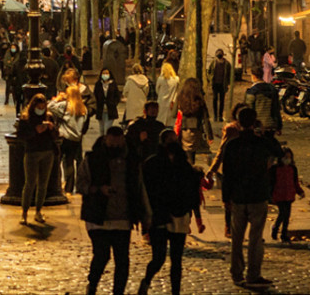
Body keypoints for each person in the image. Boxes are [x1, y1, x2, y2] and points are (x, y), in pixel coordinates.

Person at [220, 107, 284, 288]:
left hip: (238, 196)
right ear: (254, 121)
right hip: (257, 194)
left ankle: (236, 273)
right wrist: (268, 136)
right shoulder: (261, 143)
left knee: (237, 239)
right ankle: (253, 274)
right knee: (255, 239)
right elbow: (279, 153)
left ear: (238, 122)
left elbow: (227, 174)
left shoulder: (232, 145)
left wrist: (226, 197)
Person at [78, 126, 144, 295]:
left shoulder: (132, 160)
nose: (115, 144)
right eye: (112, 141)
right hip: (98, 217)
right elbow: (81, 184)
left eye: (118, 141)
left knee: (122, 260)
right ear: (106, 139)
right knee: (102, 255)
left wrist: (144, 215)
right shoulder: (92, 158)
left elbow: (139, 187)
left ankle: (118, 291)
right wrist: (99, 189)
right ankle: (92, 284)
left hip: (123, 217)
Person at [137, 129, 205, 295]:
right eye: (170, 140)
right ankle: (146, 281)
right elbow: (145, 191)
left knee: (176, 260)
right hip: (159, 216)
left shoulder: (184, 164)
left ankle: (176, 291)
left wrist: (195, 215)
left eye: (175, 139)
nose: (173, 142)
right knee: (158, 258)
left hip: (179, 215)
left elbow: (191, 191)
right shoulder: (152, 163)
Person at [207, 102, 249, 238]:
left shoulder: (252, 128)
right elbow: (222, 149)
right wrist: (213, 168)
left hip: (245, 169)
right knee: (229, 201)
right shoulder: (231, 129)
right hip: (231, 168)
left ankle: (239, 226)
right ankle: (228, 226)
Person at [16, 94, 58, 224]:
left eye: (43, 106)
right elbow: (21, 136)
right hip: (32, 152)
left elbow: (56, 135)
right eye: (38, 107)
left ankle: (38, 211)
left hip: (47, 152)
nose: (41, 109)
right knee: (30, 183)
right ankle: (24, 212)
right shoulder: (26, 118)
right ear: (33, 106)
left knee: (43, 184)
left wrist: (52, 128)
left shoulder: (49, 116)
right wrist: (35, 131)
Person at [49, 85, 88, 194]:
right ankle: (69, 188)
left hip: (64, 137)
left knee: (57, 160)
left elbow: (50, 107)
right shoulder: (83, 108)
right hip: (75, 139)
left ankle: (56, 185)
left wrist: (57, 99)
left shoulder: (65, 105)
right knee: (70, 162)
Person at [270, 147, 305, 244]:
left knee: (286, 216)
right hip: (279, 194)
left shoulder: (292, 169)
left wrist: (300, 191)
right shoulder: (275, 169)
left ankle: (283, 233)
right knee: (282, 213)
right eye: (285, 157)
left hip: (289, 195)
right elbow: (271, 182)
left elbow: (295, 182)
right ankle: (276, 229)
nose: (287, 159)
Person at [175, 77, 213, 165]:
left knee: (186, 153)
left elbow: (174, 114)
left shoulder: (180, 98)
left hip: (184, 128)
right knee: (192, 153)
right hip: (196, 129)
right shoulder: (199, 100)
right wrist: (209, 135)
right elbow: (206, 118)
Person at [245, 67, 283, 133]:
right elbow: (276, 109)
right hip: (271, 125)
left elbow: (248, 111)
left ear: (254, 76)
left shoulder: (252, 91)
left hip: (257, 126)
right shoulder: (272, 89)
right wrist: (279, 126)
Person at [94, 67, 122, 135]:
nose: (105, 75)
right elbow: (95, 95)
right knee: (102, 130)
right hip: (101, 110)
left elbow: (117, 96)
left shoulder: (113, 84)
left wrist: (114, 103)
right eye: (103, 73)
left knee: (107, 129)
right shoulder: (98, 84)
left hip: (110, 110)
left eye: (106, 73)